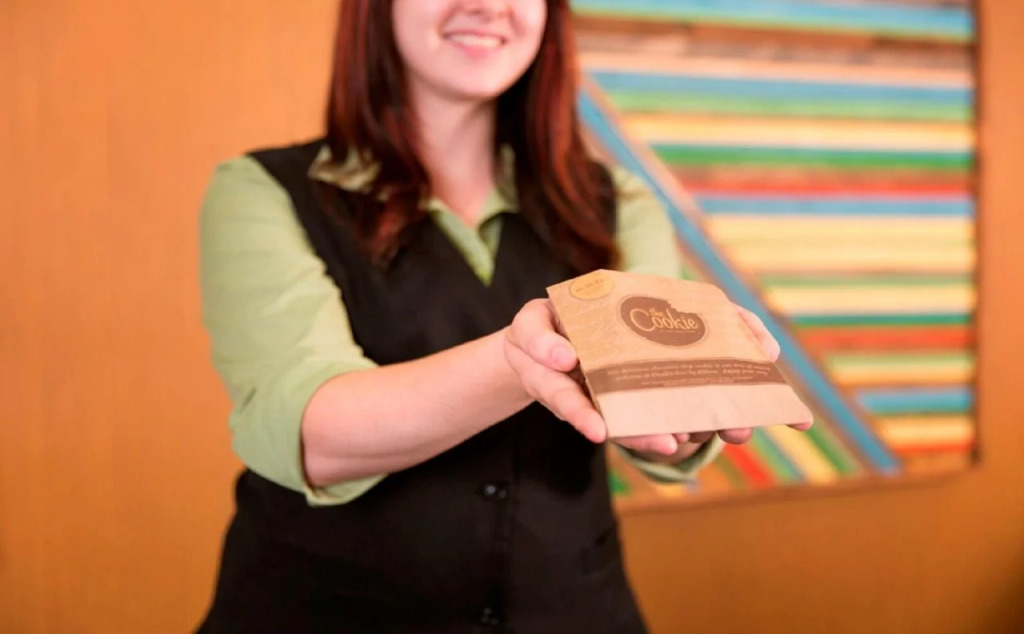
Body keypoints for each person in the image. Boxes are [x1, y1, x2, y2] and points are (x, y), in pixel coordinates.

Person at [196, 1, 811, 632]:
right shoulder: (262, 191)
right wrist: (517, 360)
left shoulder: (619, 202)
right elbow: (313, 435)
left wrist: (688, 404)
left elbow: (662, 431)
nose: (488, 5)